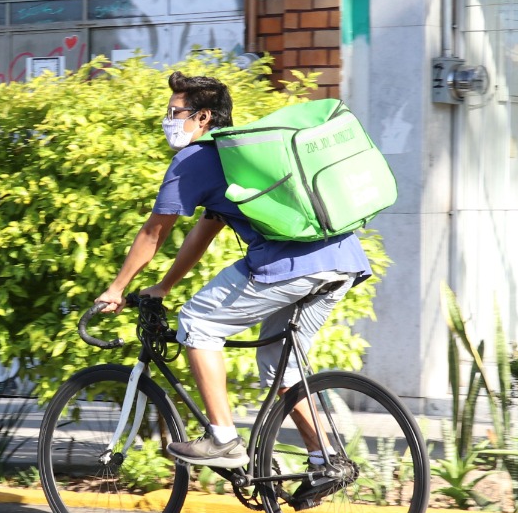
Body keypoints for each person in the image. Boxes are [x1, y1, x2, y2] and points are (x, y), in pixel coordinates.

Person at [93, 70, 371, 470]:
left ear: (202, 117)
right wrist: (165, 285)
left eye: (174, 112)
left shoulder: (194, 159)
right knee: (282, 369)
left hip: (288, 264)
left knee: (197, 323)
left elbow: (154, 232)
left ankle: (223, 439)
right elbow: (205, 230)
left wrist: (117, 288)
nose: (167, 120)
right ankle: (323, 461)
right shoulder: (237, 154)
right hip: (341, 260)